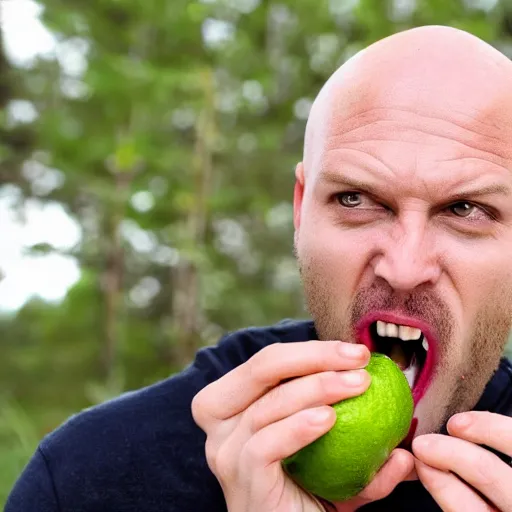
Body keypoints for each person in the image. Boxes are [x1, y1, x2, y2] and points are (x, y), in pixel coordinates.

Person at [6, 24, 512, 512]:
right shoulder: (87, 479)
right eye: (355, 199)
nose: (404, 267)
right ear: (300, 211)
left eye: (465, 209)